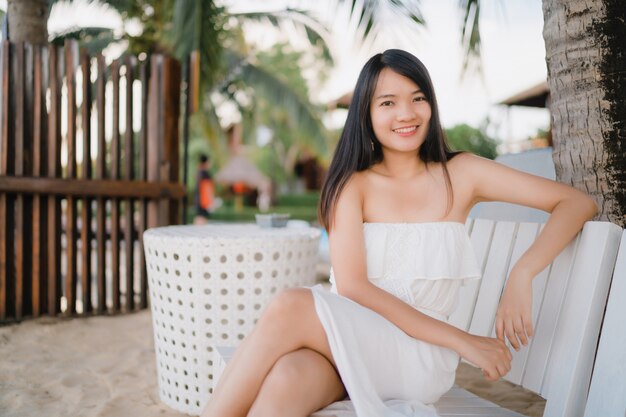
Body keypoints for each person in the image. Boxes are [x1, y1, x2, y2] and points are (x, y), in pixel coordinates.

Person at [200, 49, 597, 417]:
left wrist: (522, 273)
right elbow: (354, 289)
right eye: (388, 102)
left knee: (290, 305)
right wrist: (465, 340)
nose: (406, 113)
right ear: (366, 114)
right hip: (352, 346)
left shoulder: (462, 173)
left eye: (417, 97)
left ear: (431, 104)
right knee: (288, 376)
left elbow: (576, 203)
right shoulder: (351, 185)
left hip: (418, 357)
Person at [194, 154, 215, 224]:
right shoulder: (204, 173)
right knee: (201, 217)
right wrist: (210, 201)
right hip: (203, 200)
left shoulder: (199, 171)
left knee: (200, 216)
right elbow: (207, 189)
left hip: (200, 199)